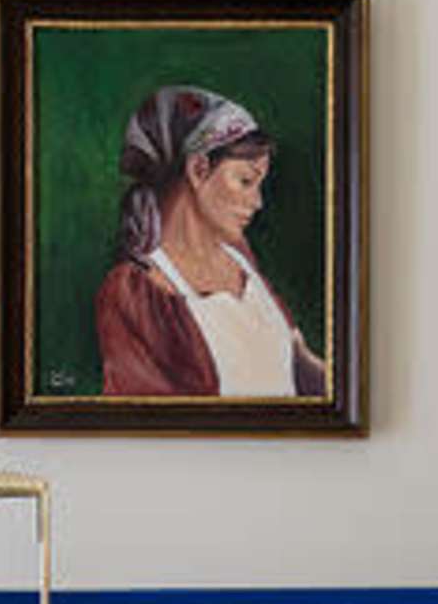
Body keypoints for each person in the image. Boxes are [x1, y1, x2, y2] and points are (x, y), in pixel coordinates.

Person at [91, 84, 327, 399]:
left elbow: (298, 363)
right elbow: (147, 421)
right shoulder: (133, 291)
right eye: (245, 181)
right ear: (199, 169)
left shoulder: (239, 257)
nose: (257, 202)